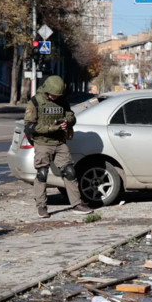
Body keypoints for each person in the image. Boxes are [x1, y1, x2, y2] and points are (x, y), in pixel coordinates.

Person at [24, 75, 93, 218]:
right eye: (53, 95)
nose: (55, 97)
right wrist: (50, 128)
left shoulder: (62, 101)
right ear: (47, 90)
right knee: (42, 174)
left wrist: (66, 122)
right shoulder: (35, 102)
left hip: (60, 143)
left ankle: (76, 204)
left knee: (70, 172)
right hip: (43, 143)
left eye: (58, 95)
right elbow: (29, 126)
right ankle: (41, 207)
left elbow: (71, 116)